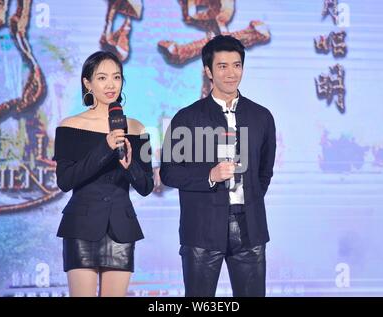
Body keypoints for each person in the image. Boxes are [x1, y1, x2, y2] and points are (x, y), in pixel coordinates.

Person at [160, 35, 276, 297]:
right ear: (208, 71)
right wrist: (209, 176)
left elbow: (264, 172)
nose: (231, 73)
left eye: (237, 65)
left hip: (250, 229)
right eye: (222, 66)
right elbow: (169, 172)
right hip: (201, 229)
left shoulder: (261, 117)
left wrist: (251, 199)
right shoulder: (187, 118)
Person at [53, 51, 153, 297]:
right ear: (87, 83)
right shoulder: (69, 126)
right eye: (102, 78)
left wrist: (130, 166)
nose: (111, 84)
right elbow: (65, 180)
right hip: (81, 226)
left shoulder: (138, 128)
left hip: (121, 228)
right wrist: (105, 147)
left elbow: (147, 186)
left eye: (116, 77)